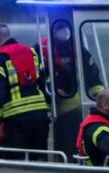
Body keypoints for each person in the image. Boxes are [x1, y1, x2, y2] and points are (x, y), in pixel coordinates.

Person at [0, 23, 50, 158]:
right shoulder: (32, 53)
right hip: (40, 115)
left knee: (18, 163)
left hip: (16, 120)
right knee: (39, 159)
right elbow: (44, 83)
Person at [41, 21, 105, 154]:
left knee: (73, 142)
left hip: (77, 107)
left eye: (64, 29)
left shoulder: (80, 51)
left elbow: (93, 79)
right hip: (52, 108)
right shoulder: (42, 51)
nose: (63, 33)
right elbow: (39, 78)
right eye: (59, 29)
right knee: (63, 141)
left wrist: (102, 99)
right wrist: (52, 91)